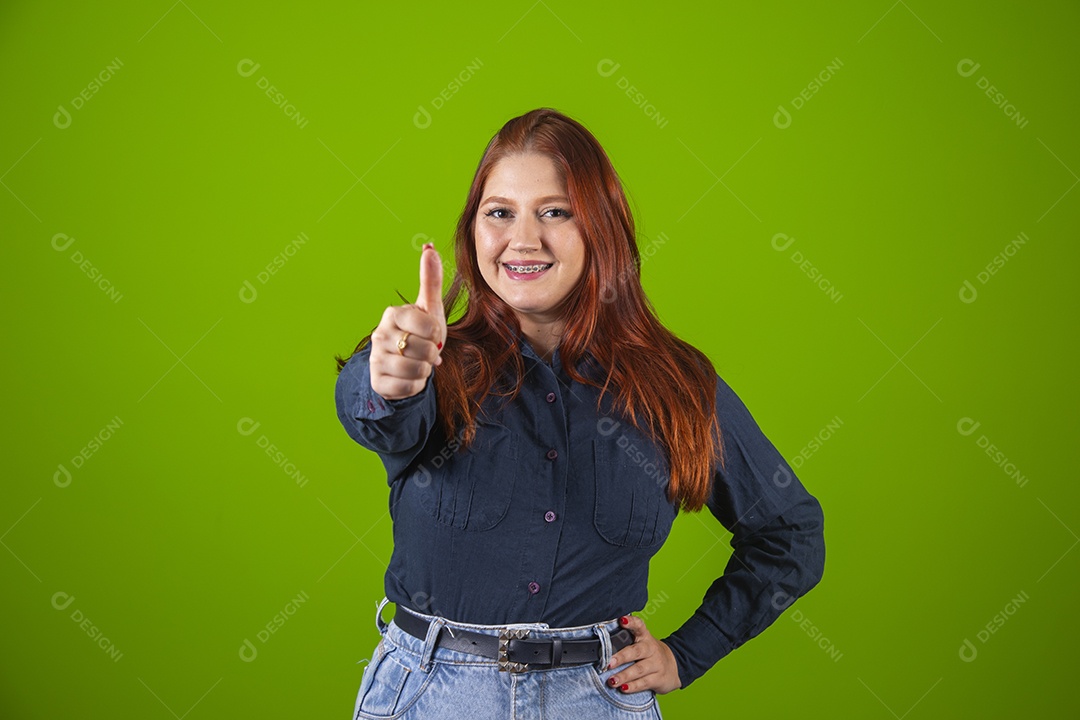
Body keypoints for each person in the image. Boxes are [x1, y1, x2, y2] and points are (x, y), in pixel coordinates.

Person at [333, 107, 825, 719]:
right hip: (432, 696)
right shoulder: (429, 365)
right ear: (473, 231)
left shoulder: (678, 385)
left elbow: (789, 535)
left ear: (602, 229)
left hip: (598, 700)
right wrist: (392, 380)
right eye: (499, 213)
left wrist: (689, 652)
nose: (524, 239)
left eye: (555, 212)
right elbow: (378, 409)